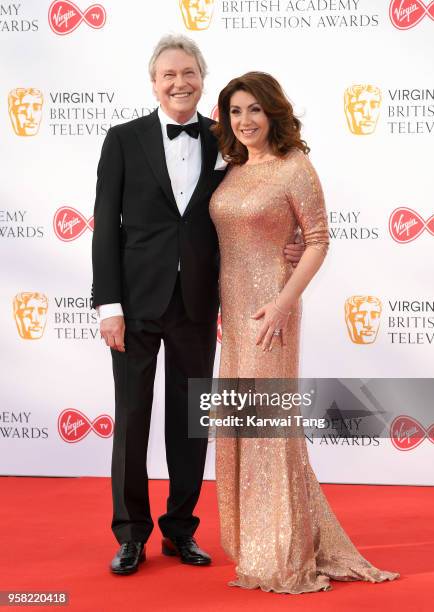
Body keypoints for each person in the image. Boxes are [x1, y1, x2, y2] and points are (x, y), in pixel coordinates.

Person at [91, 35, 303, 575]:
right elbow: (104, 229)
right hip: (135, 304)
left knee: (189, 422)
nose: (179, 82)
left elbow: (255, 199)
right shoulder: (122, 139)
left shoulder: (226, 141)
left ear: (202, 79)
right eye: (168, 74)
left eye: (188, 72)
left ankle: (180, 531)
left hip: (199, 304)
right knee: (132, 419)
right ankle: (131, 535)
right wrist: (107, 304)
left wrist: (290, 240)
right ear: (153, 81)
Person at [209, 72, 399, 594]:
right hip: (233, 315)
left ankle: (283, 553)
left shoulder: (295, 168)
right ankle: (255, 542)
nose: (245, 121)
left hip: (272, 314)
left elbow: (317, 239)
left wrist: (282, 304)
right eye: (235, 112)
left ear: (273, 113)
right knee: (243, 425)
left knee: (270, 428)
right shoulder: (230, 168)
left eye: (254, 110)